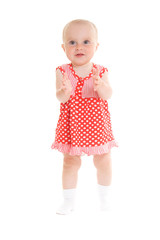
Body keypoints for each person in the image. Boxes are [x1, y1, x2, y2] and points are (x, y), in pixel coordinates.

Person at [51, 19, 118, 215]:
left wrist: (101, 87)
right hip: (72, 125)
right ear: (64, 47)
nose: (79, 46)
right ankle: (68, 200)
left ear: (96, 46)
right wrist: (65, 91)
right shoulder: (62, 71)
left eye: (86, 42)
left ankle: (104, 199)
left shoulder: (101, 71)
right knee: (70, 161)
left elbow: (108, 94)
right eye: (72, 42)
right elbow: (60, 97)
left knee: (103, 159)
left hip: (97, 124)